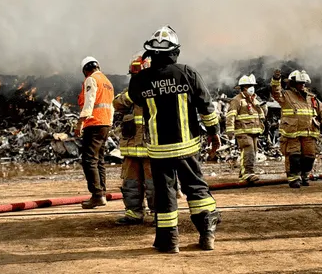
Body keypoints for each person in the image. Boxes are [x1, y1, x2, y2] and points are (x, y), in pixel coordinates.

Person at [125, 25, 222, 253]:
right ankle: (207, 234)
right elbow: (206, 107)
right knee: (196, 188)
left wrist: (142, 67)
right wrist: (214, 132)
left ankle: (169, 242)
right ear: (175, 51)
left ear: (151, 52)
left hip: (159, 150)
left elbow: (134, 98)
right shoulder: (188, 73)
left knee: (165, 193)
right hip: (187, 146)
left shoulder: (141, 80)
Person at [113, 52, 155, 224]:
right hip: (131, 148)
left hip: (151, 148)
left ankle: (159, 214)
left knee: (155, 184)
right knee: (130, 182)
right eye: (134, 76)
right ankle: (134, 213)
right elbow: (116, 103)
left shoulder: (158, 91)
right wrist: (132, 94)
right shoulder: (130, 93)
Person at [270, 69, 322, 188]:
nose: (302, 85)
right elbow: (275, 92)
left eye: (304, 83)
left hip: (309, 132)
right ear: (292, 83)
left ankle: (304, 175)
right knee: (294, 156)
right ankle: (293, 178)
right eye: (299, 83)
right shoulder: (286, 95)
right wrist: (276, 80)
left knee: (309, 156)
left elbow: (321, 110)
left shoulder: (311, 98)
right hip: (292, 132)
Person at [76, 56, 115, 209]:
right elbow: (110, 106)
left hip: (93, 123)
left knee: (89, 160)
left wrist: (80, 122)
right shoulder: (108, 83)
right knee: (99, 160)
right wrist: (109, 123)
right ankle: (102, 193)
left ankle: (97, 195)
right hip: (105, 124)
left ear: (86, 69)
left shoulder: (92, 79)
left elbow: (89, 101)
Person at [225, 74, 265, 183]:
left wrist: (261, 108)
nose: (251, 88)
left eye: (252, 85)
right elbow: (230, 115)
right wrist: (230, 130)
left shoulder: (255, 100)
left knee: (253, 153)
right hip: (243, 131)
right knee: (249, 151)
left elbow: (262, 116)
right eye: (248, 86)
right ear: (243, 88)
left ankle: (244, 173)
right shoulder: (237, 100)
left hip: (254, 131)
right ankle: (248, 174)